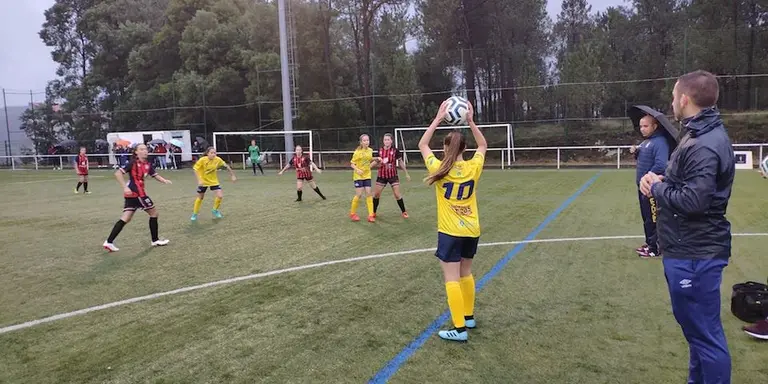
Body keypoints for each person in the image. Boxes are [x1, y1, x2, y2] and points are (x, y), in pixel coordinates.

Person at [640, 70, 735, 384]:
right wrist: (664, 179)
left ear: (685, 98)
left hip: (695, 253)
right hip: (687, 249)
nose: (671, 101)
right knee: (698, 334)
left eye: (673, 95)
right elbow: (691, 185)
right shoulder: (697, 135)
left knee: (705, 336)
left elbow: (694, 201)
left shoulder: (704, 143)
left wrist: (655, 189)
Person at [418, 99, 487, 342]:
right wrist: (470, 120)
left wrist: (437, 118)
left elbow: (423, 144)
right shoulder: (473, 168)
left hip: (449, 232)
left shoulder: (438, 169)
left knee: (451, 278)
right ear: (464, 150)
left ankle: (459, 329)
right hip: (471, 229)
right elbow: (483, 144)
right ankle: (468, 316)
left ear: (446, 149)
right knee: (466, 273)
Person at [102, 143, 172, 252]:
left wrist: (164, 180)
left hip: (133, 195)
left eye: (145, 149)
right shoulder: (133, 163)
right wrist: (125, 187)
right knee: (154, 213)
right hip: (138, 194)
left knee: (126, 217)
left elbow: (154, 174)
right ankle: (155, 240)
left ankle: (109, 242)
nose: (145, 151)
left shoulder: (148, 164)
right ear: (136, 152)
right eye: (142, 149)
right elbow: (118, 174)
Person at [631, 115, 669, 258]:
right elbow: (644, 159)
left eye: (645, 126)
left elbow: (661, 164)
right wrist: (636, 153)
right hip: (643, 188)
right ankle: (650, 243)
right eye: (641, 126)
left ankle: (655, 248)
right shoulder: (647, 142)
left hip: (651, 189)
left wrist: (648, 179)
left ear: (655, 126)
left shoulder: (660, 142)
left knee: (654, 218)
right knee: (647, 217)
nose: (642, 129)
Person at [191, 147, 237, 221]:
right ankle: (194, 214)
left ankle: (215, 210)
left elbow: (227, 166)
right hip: (203, 181)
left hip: (213, 181)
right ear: (207, 153)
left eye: (214, 153)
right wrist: (199, 180)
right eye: (211, 153)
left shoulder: (218, 160)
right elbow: (195, 169)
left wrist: (233, 175)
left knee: (220, 196)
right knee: (200, 197)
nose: (213, 154)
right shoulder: (202, 160)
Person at [372, 133, 411, 218]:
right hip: (381, 176)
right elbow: (376, 161)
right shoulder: (380, 150)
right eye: (385, 140)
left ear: (391, 141)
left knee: (397, 194)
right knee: (376, 195)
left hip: (393, 175)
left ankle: (404, 212)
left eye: (388, 140)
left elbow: (400, 162)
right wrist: (368, 167)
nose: (386, 141)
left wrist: (406, 173)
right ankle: (373, 212)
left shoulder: (395, 151)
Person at [349, 134, 378, 222]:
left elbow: (369, 158)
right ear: (361, 142)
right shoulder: (357, 152)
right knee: (359, 194)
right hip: (358, 176)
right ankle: (352, 213)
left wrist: (376, 158)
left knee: (369, 193)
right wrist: (357, 170)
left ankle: (370, 215)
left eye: (367, 140)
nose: (366, 142)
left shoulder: (370, 150)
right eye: (364, 140)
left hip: (367, 175)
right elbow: (352, 164)